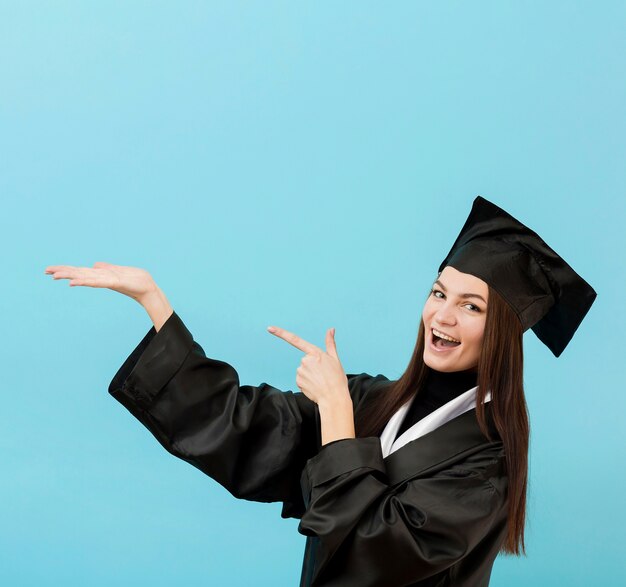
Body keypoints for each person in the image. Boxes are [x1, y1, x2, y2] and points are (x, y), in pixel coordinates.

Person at [44, 196, 597, 586]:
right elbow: (247, 426)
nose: (442, 316)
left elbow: (375, 556)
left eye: (470, 306)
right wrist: (155, 305)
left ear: (500, 331)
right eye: (438, 292)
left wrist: (334, 414)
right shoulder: (375, 400)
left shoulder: (487, 463)